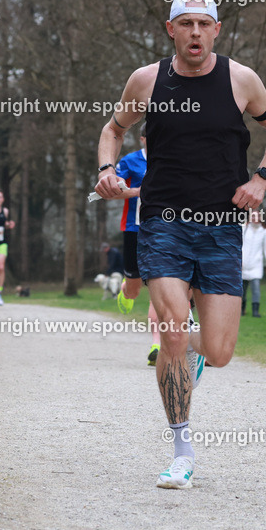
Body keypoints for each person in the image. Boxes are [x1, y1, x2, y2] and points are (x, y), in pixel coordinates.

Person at [94, 0, 266, 489]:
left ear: (217, 30)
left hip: (222, 228)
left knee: (220, 351)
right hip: (162, 222)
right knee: (174, 329)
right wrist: (106, 170)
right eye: (186, 24)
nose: (196, 33)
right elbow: (112, 130)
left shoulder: (241, 79)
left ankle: (179, 355)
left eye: (205, 24)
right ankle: (181, 449)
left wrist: (260, 179)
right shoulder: (147, 80)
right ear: (171, 30)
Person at [113, 125, 163, 365]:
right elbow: (115, 191)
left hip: (164, 231)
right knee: (135, 288)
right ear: (143, 138)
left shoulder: (170, 159)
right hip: (134, 229)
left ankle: (157, 346)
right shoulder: (130, 161)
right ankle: (127, 289)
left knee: (159, 288)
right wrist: (138, 191)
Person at [241, 210, 266, 317]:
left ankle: (255, 311)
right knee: (242, 289)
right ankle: (242, 309)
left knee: (255, 288)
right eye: (252, 217)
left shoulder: (264, 232)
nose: (254, 219)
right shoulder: (244, 229)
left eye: (256, 217)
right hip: (243, 264)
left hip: (256, 264)